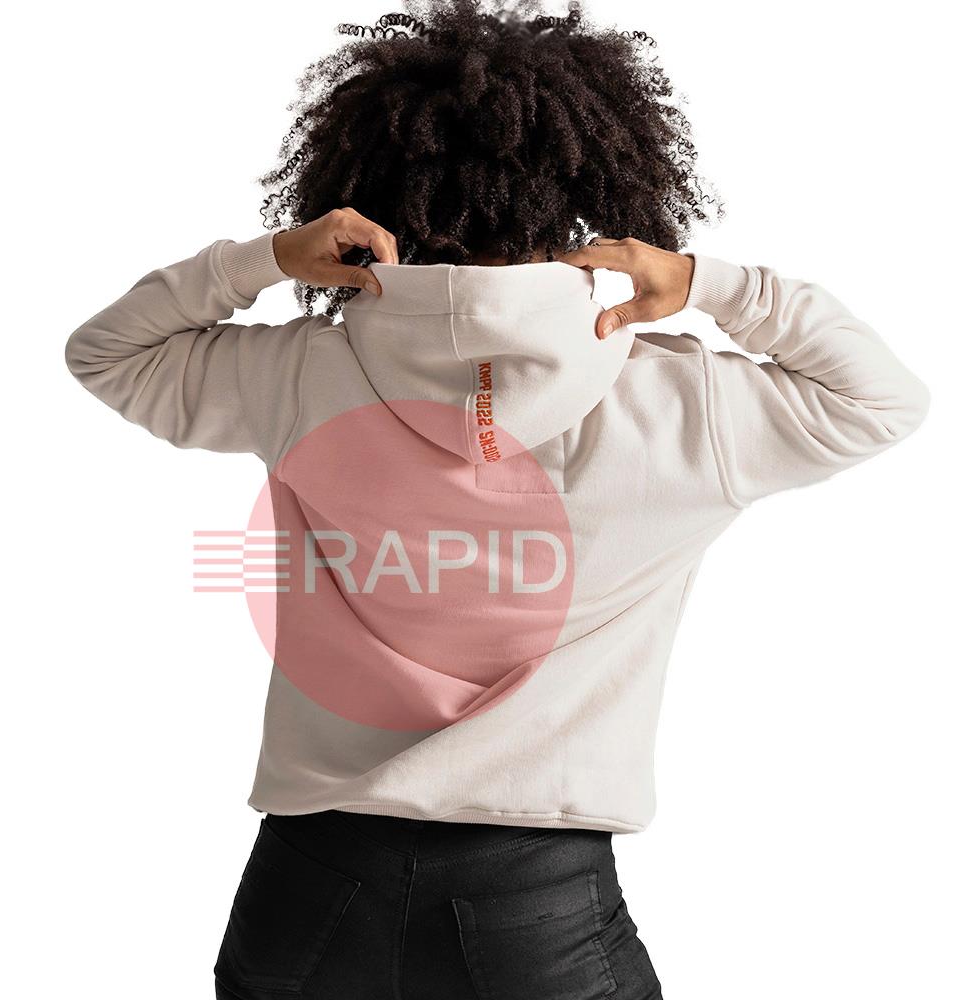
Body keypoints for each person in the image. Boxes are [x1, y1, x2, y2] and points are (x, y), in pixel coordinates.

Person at [63, 2, 930, 998]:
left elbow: (107, 354)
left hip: (307, 898)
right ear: (590, 191)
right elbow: (882, 399)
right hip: (537, 912)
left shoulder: (299, 376)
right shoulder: (682, 403)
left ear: (370, 191)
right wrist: (708, 283)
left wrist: (263, 262)